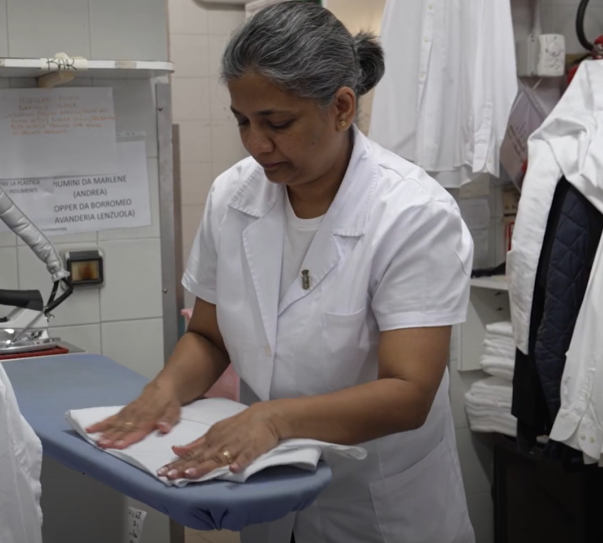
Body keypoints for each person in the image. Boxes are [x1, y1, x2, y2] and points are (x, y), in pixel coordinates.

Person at [87, 3, 475, 542]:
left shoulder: (413, 215)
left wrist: (273, 418)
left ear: (341, 108)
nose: (256, 144)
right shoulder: (233, 196)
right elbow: (209, 336)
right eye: (243, 121)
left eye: (277, 123)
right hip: (270, 494)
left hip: (376, 508)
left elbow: (409, 393)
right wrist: (163, 391)